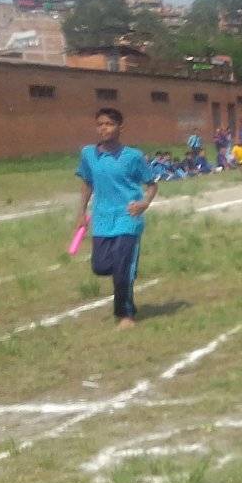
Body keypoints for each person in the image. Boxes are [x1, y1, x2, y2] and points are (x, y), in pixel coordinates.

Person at [74, 108, 157, 330]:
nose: (104, 128)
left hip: (128, 217)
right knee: (100, 266)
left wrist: (144, 203)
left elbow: (152, 185)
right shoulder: (89, 154)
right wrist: (82, 213)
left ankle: (125, 314)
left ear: (121, 128)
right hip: (102, 219)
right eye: (100, 124)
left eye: (109, 124)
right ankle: (125, 269)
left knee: (121, 269)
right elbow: (87, 183)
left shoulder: (133, 156)